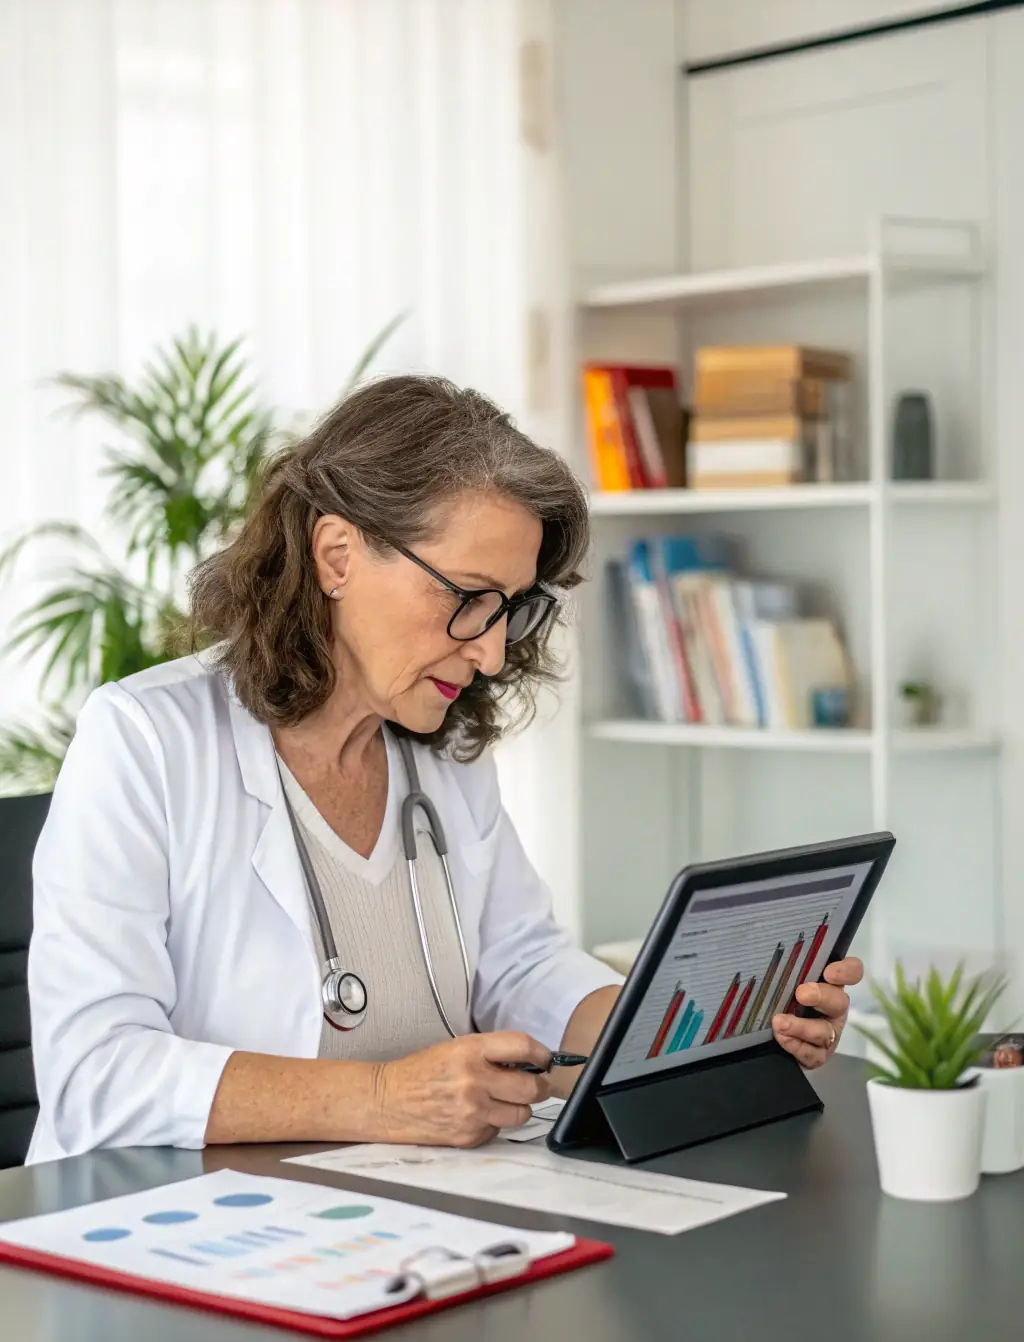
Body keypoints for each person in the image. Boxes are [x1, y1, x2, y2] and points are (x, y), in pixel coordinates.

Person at [26, 376, 861, 1163]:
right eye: (467, 595)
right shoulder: (144, 739)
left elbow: (522, 965)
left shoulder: (441, 751)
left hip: (397, 1218)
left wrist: (702, 1034)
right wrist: (383, 1097)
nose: (493, 651)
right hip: (175, 1229)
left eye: (510, 607)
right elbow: (94, 1071)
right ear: (337, 555)